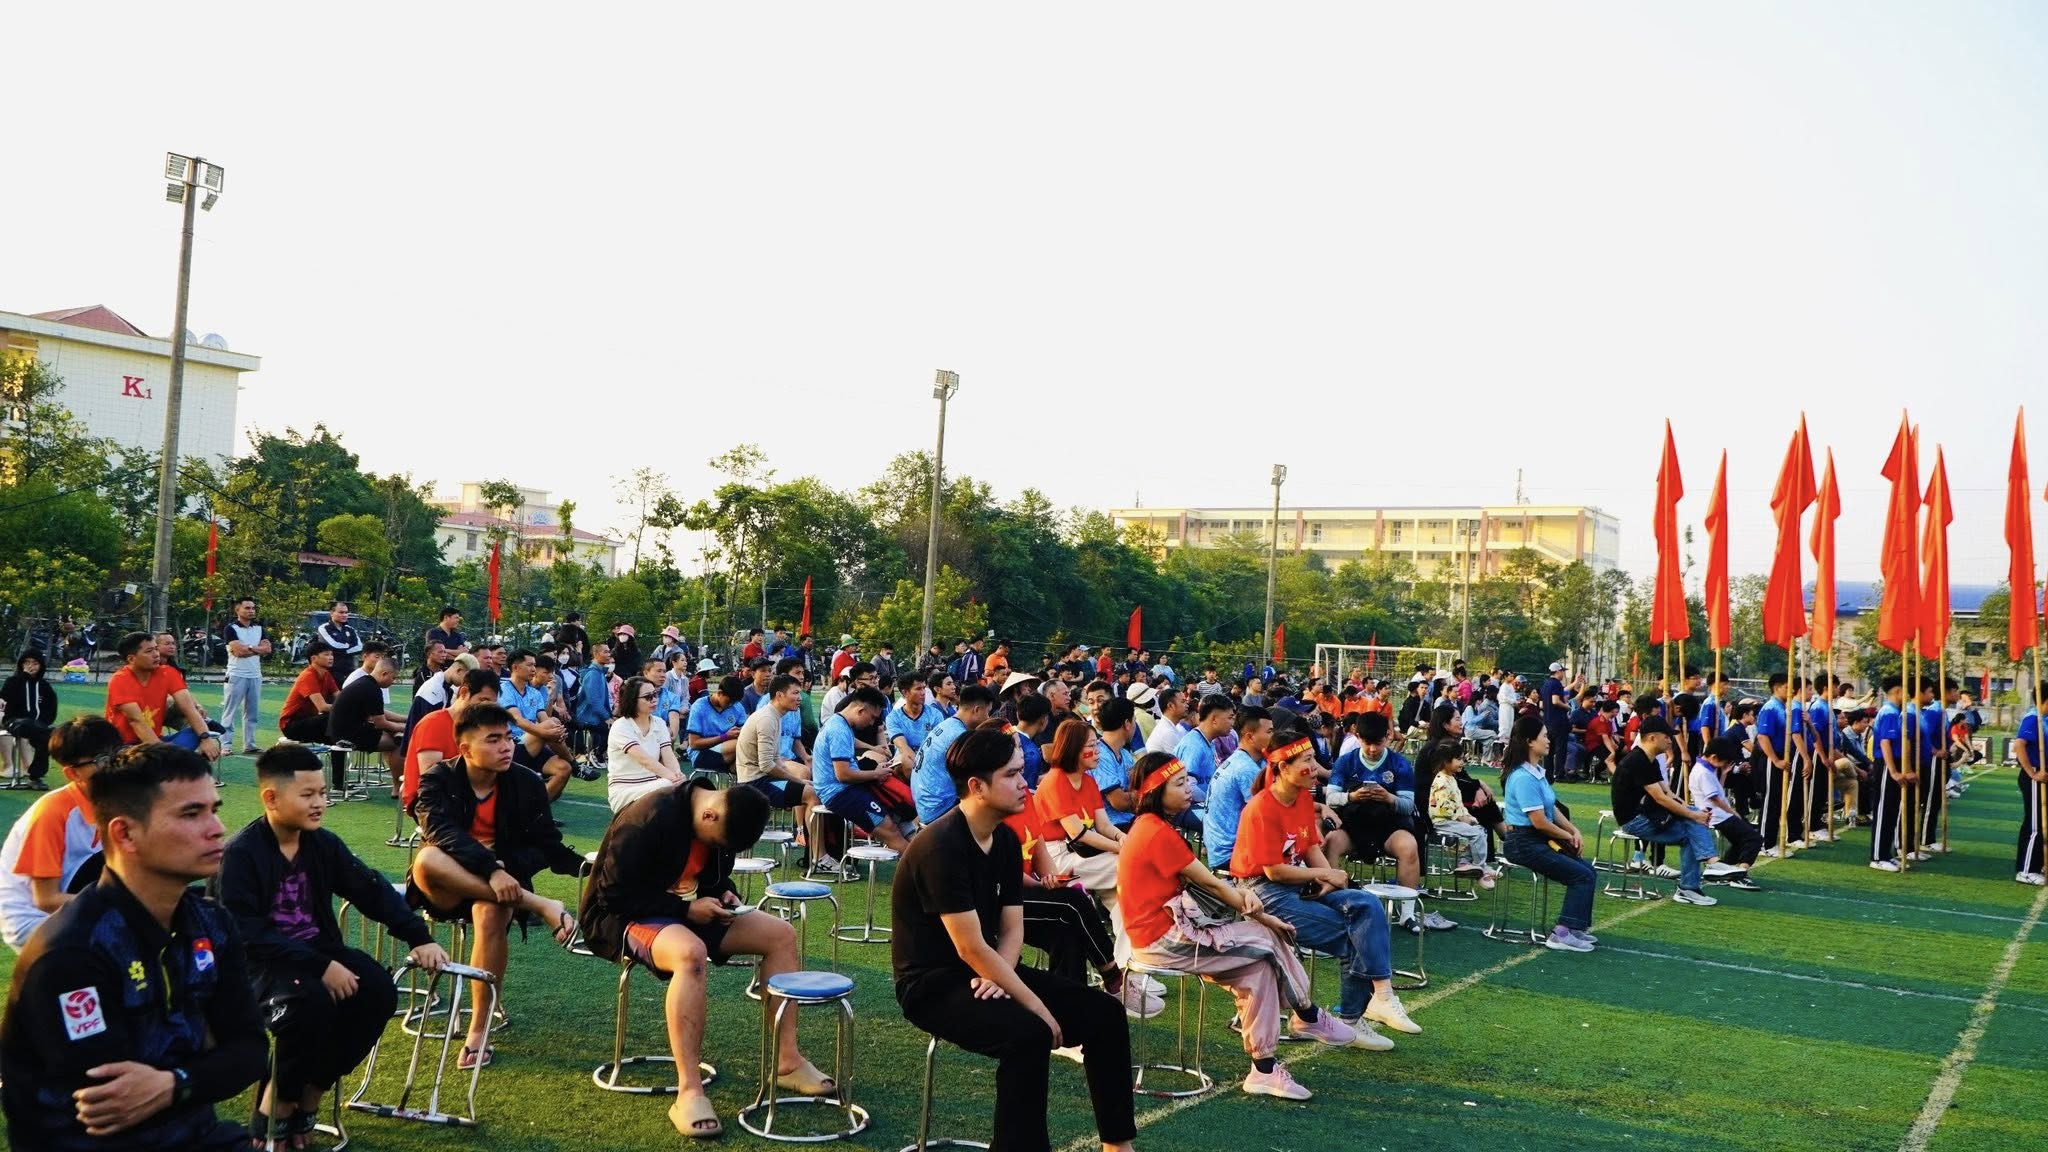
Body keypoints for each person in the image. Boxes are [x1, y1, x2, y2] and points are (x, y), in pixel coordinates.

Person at [0, 743, 265, 1150]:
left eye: (214, 809)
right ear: (124, 833)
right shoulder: (72, 953)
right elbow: (116, 1104)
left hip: (196, 1133)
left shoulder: (212, 923)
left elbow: (250, 1052)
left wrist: (174, 1082)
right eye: (191, 814)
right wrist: (206, 1063)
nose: (216, 828)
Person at [891, 721, 1138, 1152]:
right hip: (933, 985)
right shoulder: (940, 846)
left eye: (1022, 771)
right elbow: (969, 946)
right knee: (1030, 1034)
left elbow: (1011, 928)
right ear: (977, 786)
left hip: (989, 969)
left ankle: (1118, 1145)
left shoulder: (1003, 839)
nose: (1026, 783)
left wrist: (1001, 975)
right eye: (1012, 774)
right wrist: (1038, 1007)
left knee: (1106, 1014)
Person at [220, 745, 448, 1146]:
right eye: (307, 794)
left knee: (376, 991)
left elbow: (370, 890)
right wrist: (320, 966)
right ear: (271, 798)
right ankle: (275, 1108)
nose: (319, 803)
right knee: (310, 1004)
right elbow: (245, 933)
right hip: (257, 964)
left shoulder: (322, 844)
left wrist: (419, 936)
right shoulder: (241, 854)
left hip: (315, 953)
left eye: (323, 793)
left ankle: (312, 1090)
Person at [582, 777, 829, 1139]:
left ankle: (787, 1063)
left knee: (781, 935)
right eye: (718, 843)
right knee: (690, 953)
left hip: (685, 910)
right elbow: (613, 896)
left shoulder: (719, 816)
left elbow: (712, 877)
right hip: (623, 917)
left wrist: (725, 893)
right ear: (710, 815)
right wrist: (684, 910)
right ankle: (689, 1092)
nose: (718, 849)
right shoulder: (646, 818)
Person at [1119, 751, 1352, 1101]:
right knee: (1267, 940)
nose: (1189, 788)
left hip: (1172, 930)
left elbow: (1208, 886)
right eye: (1180, 783)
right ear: (1156, 793)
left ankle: (1264, 1070)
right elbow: (1211, 885)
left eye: (1187, 780)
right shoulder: (1154, 832)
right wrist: (1261, 915)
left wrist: (1259, 912)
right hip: (1162, 939)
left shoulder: (1153, 827)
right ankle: (1307, 1013)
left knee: (1257, 970)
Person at [406, 704, 582, 1069]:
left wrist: (591, 867)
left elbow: (546, 846)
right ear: (465, 749)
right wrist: (490, 869)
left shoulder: (527, 782)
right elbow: (437, 830)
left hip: (503, 888)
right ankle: (539, 904)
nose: (506, 747)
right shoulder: (439, 778)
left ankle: (479, 1027)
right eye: (493, 739)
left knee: (492, 910)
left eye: (508, 738)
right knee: (426, 859)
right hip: (445, 886)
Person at [1229, 738, 1417, 1044]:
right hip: (1263, 891)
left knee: (1368, 905)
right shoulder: (1261, 808)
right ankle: (1345, 1018)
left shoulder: (1303, 799)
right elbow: (1274, 871)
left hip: (1299, 881)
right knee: (1354, 935)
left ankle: (1381, 996)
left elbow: (1311, 848)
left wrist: (1331, 879)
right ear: (1283, 768)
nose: (1315, 768)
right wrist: (1326, 873)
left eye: (1314, 759)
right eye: (1306, 761)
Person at [0, 717, 123, 950]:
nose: (114, 766)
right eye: (101, 760)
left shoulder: (112, 801)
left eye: (117, 755)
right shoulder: (53, 813)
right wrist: (120, 906)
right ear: (73, 774)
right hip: (31, 918)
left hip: (67, 898)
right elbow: (45, 899)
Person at [1499, 715, 1598, 951]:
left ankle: (1574, 928)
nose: (1548, 740)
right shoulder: (1522, 777)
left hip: (1535, 840)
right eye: (1544, 736)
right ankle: (1561, 933)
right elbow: (1539, 822)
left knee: (1589, 871)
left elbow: (1551, 808)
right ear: (1529, 742)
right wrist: (1568, 836)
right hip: (1523, 843)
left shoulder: (1536, 772)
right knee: (1581, 876)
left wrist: (1573, 829)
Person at [1611, 718, 1726, 906]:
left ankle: (1698, 878)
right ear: (1652, 737)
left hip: (1647, 815)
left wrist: (1692, 810)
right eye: (1666, 736)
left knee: (1692, 826)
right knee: (1691, 829)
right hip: (1634, 821)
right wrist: (1694, 815)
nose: (1670, 741)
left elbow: (1669, 793)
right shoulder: (1638, 761)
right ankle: (1706, 869)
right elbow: (1661, 799)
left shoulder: (1649, 760)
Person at [812, 686, 912, 852]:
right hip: (840, 793)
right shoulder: (838, 729)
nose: (872, 723)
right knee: (892, 832)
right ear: (860, 710)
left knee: (900, 815)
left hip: (846, 789)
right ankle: (922, 866)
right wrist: (875, 774)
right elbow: (843, 774)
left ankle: (921, 859)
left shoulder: (840, 722)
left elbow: (850, 742)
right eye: (872, 717)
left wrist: (874, 753)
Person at [105, 631, 221, 763]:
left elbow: (189, 708)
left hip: (156, 742)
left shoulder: (168, 673)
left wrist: (205, 738)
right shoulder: (120, 680)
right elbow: (136, 721)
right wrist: (162, 752)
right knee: (168, 760)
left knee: (198, 731)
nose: (156, 654)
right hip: (125, 746)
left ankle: (169, 760)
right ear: (131, 659)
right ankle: (168, 761)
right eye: (149, 651)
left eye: (156, 649)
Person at [403, 668, 498, 816]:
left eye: (491, 704)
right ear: (464, 692)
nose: (486, 708)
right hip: (429, 801)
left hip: (462, 795)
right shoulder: (433, 723)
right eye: (483, 700)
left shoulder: (475, 726)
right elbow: (430, 777)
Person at [736, 673, 819, 829]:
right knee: (811, 794)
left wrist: (799, 780)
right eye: (795, 693)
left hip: (763, 779)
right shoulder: (767, 719)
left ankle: (810, 841)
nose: (799, 698)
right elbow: (766, 765)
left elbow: (775, 759)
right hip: (754, 783)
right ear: (779, 695)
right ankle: (809, 841)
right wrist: (798, 780)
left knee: (813, 788)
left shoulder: (775, 715)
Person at [911, 683, 995, 823]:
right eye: (988, 712)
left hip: (926, 803)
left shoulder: (948, 724)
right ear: (977, 710)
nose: (988, 718)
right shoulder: (959, 735)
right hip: (939, 808)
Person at [607, 675, 688, 812]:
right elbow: (644, 760)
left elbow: (668, 755)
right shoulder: (621, 726)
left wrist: (678, 774)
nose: (654, 699)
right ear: (632, 700)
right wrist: (673, 779)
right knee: (669, 784)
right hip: (625, 791)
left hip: (654, 784)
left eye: (655, 694)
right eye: (648, 697)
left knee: (680, 785)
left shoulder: (659, 723)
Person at [328, 654, 406, 794]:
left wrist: (405, 719)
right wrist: (405, 728)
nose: (393, 682)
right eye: (393, 678)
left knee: (393, 734)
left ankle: (396, 786)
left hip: (342, 730)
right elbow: (381, 723)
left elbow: (379, 713)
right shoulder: (372, 689)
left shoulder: (365, 683)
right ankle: (398, 786)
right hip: (347, 736)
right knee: (399, 742)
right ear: (384, 674)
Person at [1690, 736, 1762, 887]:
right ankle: (1740, 873)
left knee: (1739, 841)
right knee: (1754, 838)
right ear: (1714, 757)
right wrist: (1732, 811)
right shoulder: (1703, 772)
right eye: (1724, 761)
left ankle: (1725, 870)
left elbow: (1717, 791)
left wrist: (1723, 774)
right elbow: (1715, 798)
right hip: (1717, 816)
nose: (1724, 764)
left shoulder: (1706, 769)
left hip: (1719, 814)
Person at [1424, 742, 1495, 888]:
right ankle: (1480, 868)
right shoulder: (1441, 781)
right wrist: (1460, 818)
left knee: (1481, 830)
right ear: (1446, 761)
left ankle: (1465, 863)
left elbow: (1458, 804)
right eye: (1459, 759)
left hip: (1452, 820)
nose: (1463, 762)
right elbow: (1444, 808)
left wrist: (1468, 816)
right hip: (1443, 822)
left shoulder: (1451, 779)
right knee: (1476, 834)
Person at [1869, 676, 1916, 872]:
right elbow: (1885, 743)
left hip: (1895, 763)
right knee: (1883, 810)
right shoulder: (1888, 711)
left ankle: (1886, 854)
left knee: (1892, 811)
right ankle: (1877, 857)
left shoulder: (1897, 712)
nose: (1908, 695)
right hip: (1887, 765)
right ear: (1897, 691)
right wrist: (1894, 771)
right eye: (1905, 690)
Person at [1, 649, 59, 785]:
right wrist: (24, 677)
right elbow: (4, 697)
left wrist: (42, 722)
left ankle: (35, 775)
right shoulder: (13, 682)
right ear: (21, 664)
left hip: (37, 725)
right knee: (43, 731)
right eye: (27, 662)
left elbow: (51, 709)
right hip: (14, 722)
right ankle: (23, 770)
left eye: (34, 663)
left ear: (41, 666)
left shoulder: (45, 686)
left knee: (46, 737)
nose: (30, 666)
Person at [1172, 693, 1234, 803]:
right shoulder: (1193, 745)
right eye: (1230, 718)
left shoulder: (1209, 741)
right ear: (1214, 719)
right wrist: (1211, 803)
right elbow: (1188, 786)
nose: (1232, 723)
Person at [685, 675, 749, 778]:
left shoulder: (737, 707)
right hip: (701, 754)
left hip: (729, 752)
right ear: (719, 693)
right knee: (742, 744)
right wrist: (725, 736)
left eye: (734, 703)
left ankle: (740, 783)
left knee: (749, 753)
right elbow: (694, 744)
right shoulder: (699, 707)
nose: (731, 705)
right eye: (729, 702)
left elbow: (744, 731)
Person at [279, 641, 340, 745]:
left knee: (339, 734)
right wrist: (347, 709)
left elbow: (340, 696)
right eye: (326, 654)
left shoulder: (326, 675)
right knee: (331, 720)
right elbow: (322, 707)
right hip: (292, 725)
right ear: (313, 658)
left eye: (331, 654)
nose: (331, 658)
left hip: (309, 720)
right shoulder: (308, 676)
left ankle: (340, 747)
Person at [2016, 685, 2046, 885]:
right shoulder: (2033, 718)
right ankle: (2026, 870)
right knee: (2035, 825)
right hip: (2035, 776)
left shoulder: (2044, 719)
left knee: (2042, 823)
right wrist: (2032, 773)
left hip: (2043, 776)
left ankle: (2038, 863)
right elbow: (2019, 745)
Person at [314, 600, 363, 683]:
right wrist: (349, 647)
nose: (344, 615)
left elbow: (359, 647)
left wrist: (343, 650)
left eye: (346, 612)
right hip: (330, 672)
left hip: (349, 671)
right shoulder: (324, 628)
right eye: (341, 612)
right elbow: (333, 646)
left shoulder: (350, 629)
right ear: (332, 613)